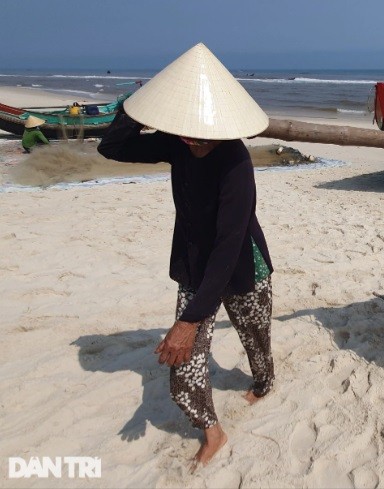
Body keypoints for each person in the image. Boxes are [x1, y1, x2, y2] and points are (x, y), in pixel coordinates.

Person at [97, 43, 274, 468]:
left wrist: (189, 319)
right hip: (196, 267)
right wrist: (132, 110)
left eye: (202, 137)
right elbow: (112, 149)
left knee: (256, 339)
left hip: (243, 266)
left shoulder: (236, 163)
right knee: (183, 371)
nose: (194, 143)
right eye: (187, 134)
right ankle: (213, 432)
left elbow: (229, 245)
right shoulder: (177, 143)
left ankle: (265, 384)